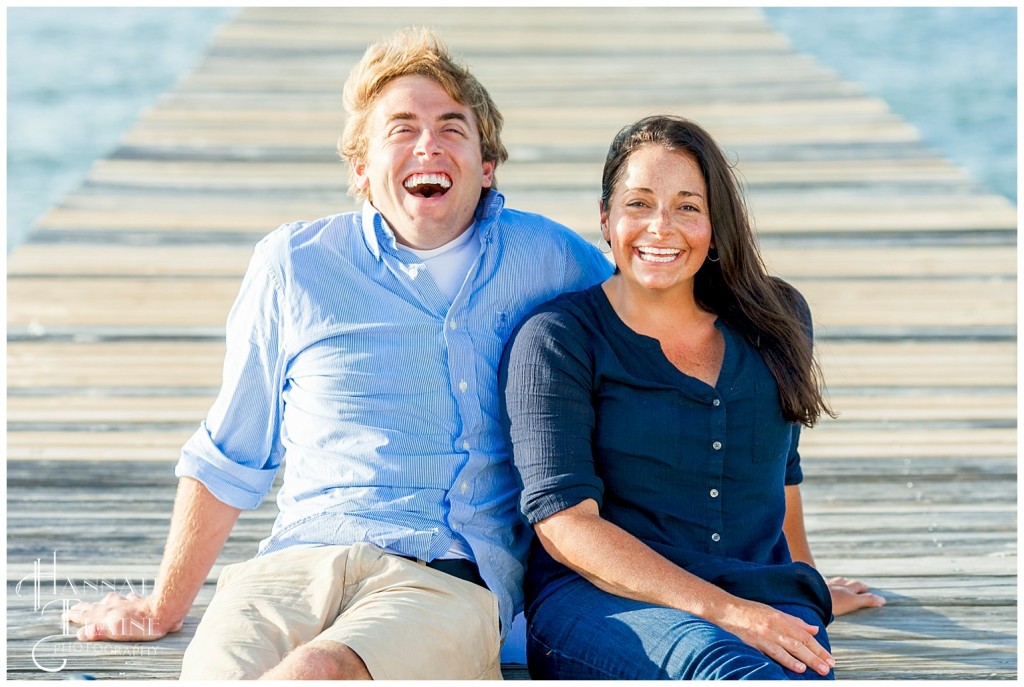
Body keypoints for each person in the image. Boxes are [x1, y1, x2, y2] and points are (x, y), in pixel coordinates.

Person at [64, 28, 612, 680]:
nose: (427, 144)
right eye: (400, 128)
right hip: (290, 569)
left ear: (487, 164)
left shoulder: (549, 260)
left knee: (319, 671)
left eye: (450, 128)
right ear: (361, 168)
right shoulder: (294, 265)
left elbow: (651, 322)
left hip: (444, 577)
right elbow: (229, 450)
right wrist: (162, 606)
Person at [500, 115, 885, 681]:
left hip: (762, 592)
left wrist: (806, 580)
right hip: (605, 601)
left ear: (715, 223)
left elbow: (782, 469)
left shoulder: (777, 319)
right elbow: (565, 526)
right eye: (638, 203)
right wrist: (730, 614)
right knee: (725, 668)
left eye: (687, 206)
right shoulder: (558, 339)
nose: (661, 227)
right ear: (605, 219)